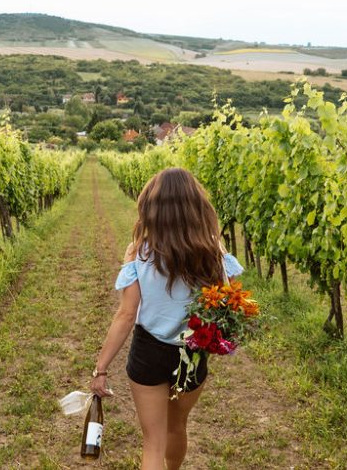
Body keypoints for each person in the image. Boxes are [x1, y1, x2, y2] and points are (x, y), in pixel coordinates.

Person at [90, 167, 243, 470]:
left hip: (148, 353)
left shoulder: (138, 253)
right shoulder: (212, 252)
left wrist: (101, 367)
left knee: (153, 442)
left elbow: (126, 314)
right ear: (196, 206)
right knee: (177, 428)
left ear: (152, 207)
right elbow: (227, 303)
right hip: (193, 353)